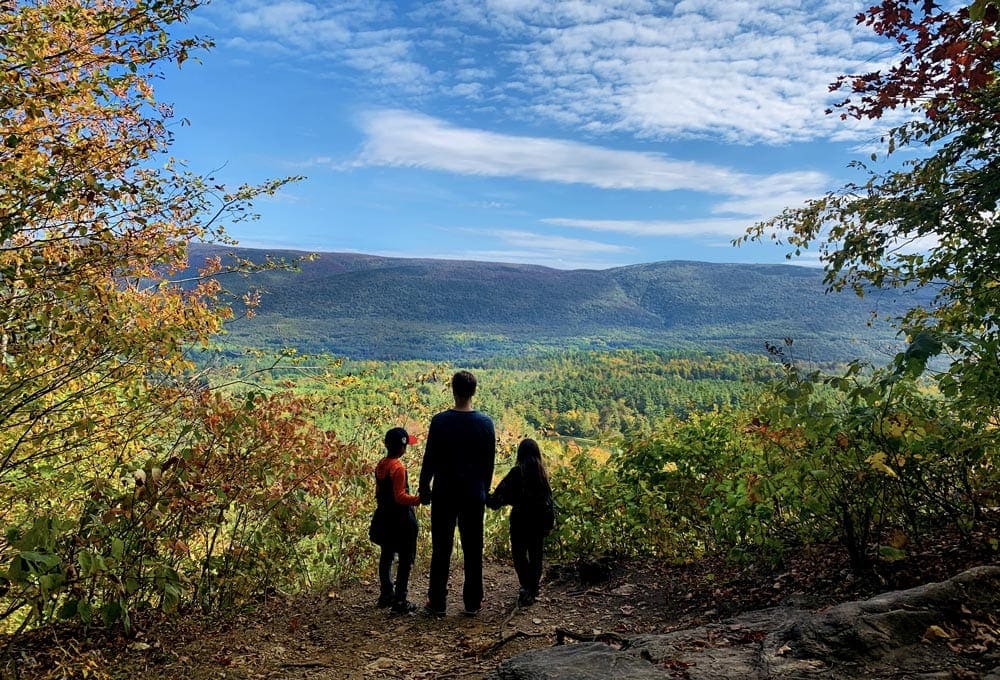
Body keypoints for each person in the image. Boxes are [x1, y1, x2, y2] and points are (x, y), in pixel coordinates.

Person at [418, 370, 496, 616]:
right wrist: (485, 488)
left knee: (441, 548)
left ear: (453, 390)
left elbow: (429, 458)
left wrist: (424, 487)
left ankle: (437, 602)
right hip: (473, 494)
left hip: (445, 492)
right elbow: (489, 463)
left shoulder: (440, 421)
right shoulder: (485, 424)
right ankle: (473, 602)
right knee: (473, 548)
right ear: (473, 391)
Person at [486, 438, 554, 606]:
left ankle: (526, 586)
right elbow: (549, 501)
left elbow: (498, 499)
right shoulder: (542, 475)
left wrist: (484, 496)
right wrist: (549, 524)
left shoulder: (517, 472)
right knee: (536, 555)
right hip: (538, 522)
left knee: (519, 554)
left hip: (520, 521)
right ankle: (532, 588)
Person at [371, 427, 421, 614]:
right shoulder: (398, 468)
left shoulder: (381, 465)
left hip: (384, 517)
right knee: (406, 558)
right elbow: (400, 496)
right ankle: (400, 600)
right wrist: (418, 500)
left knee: (387, 555)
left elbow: (379, 493)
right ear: (402, 448)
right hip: (401, 520)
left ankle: (386, 594)